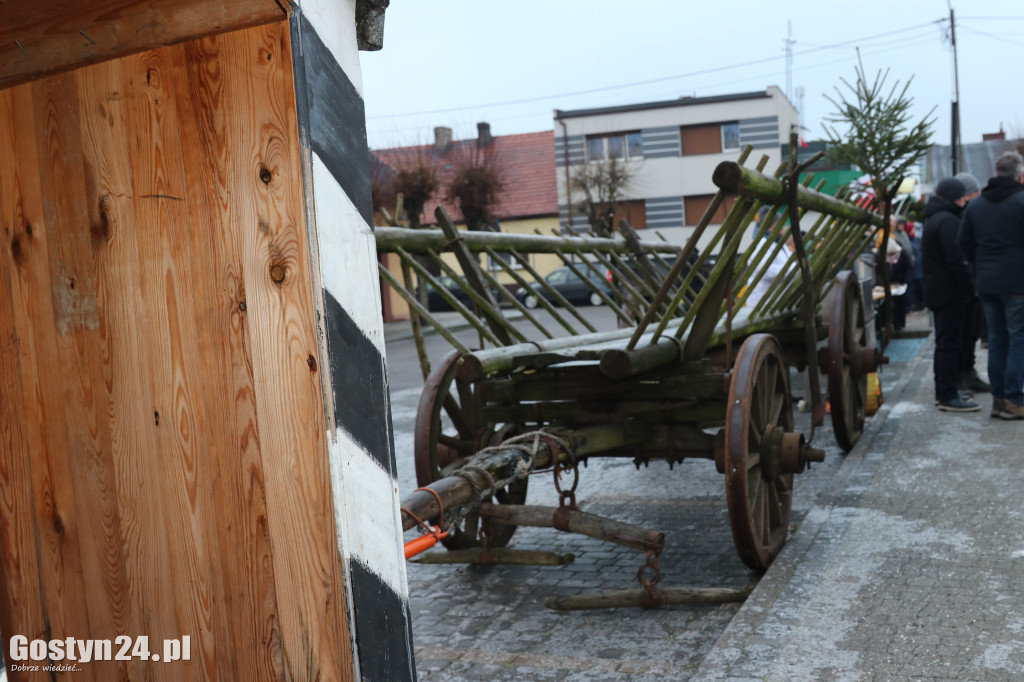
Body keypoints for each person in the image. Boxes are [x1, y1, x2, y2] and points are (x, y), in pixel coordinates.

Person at [959, 151, 1024, 420]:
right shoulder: (1021, 201)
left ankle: (999, 399)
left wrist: (980, 268)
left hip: (986, 282)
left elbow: (964, 243)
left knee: (997, 341)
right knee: (1019, 339)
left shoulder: (976, 205)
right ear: (1019, 175)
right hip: (1017, 282)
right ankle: (1013, 399)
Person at [922, 177, 980, 411]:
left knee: (946, 343)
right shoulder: (947, 221)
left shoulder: (936, 218)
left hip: (939, 292)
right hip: (949, 294)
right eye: (961, 196)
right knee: (949, 344)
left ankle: (947, 392)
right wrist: (969, 289)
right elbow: (956, 259)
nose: (965, 200)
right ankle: (947, 395)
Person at [952, 172, 991, 393]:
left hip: (972, 280)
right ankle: (962, 376)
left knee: (971, 332)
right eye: (975, 191)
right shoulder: (958, 216)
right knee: (963, 334)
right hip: (963, 284)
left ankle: (968, 373)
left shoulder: (966, 213)